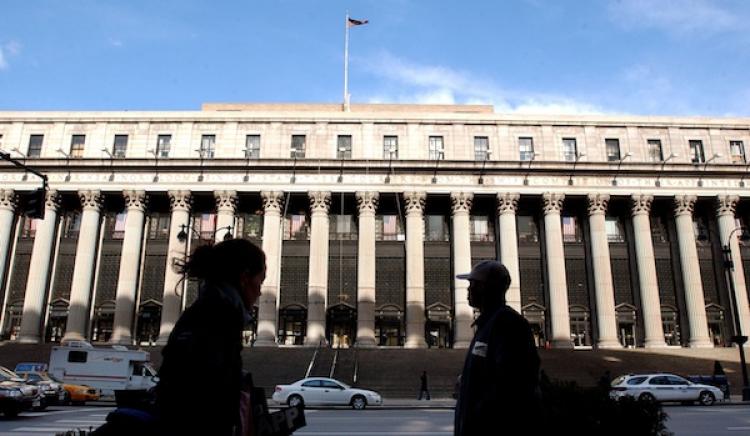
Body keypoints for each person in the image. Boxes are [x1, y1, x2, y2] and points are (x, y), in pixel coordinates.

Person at [155, 239, 266, 435]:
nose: (260, 291)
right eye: (260, 281)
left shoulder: (204, 310)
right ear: (244, 278)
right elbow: (213, 399)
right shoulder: (221, 317)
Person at [453, 260, 540, 436]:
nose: (468, 290)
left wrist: (479, 417)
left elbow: (511, 384)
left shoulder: (507, 324)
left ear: (485, 288)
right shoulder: (487, 324)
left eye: (473, 284)